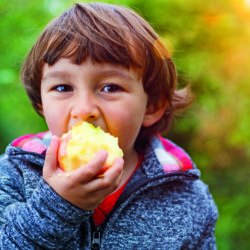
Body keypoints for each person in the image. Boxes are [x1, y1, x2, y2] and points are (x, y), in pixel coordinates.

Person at [0, 2, 218, 249]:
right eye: (63, 88)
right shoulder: (13, 174)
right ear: (41, 102)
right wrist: (57, 206)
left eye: (110, 88)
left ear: (152, 106)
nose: (83, 110)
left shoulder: (187, 198)